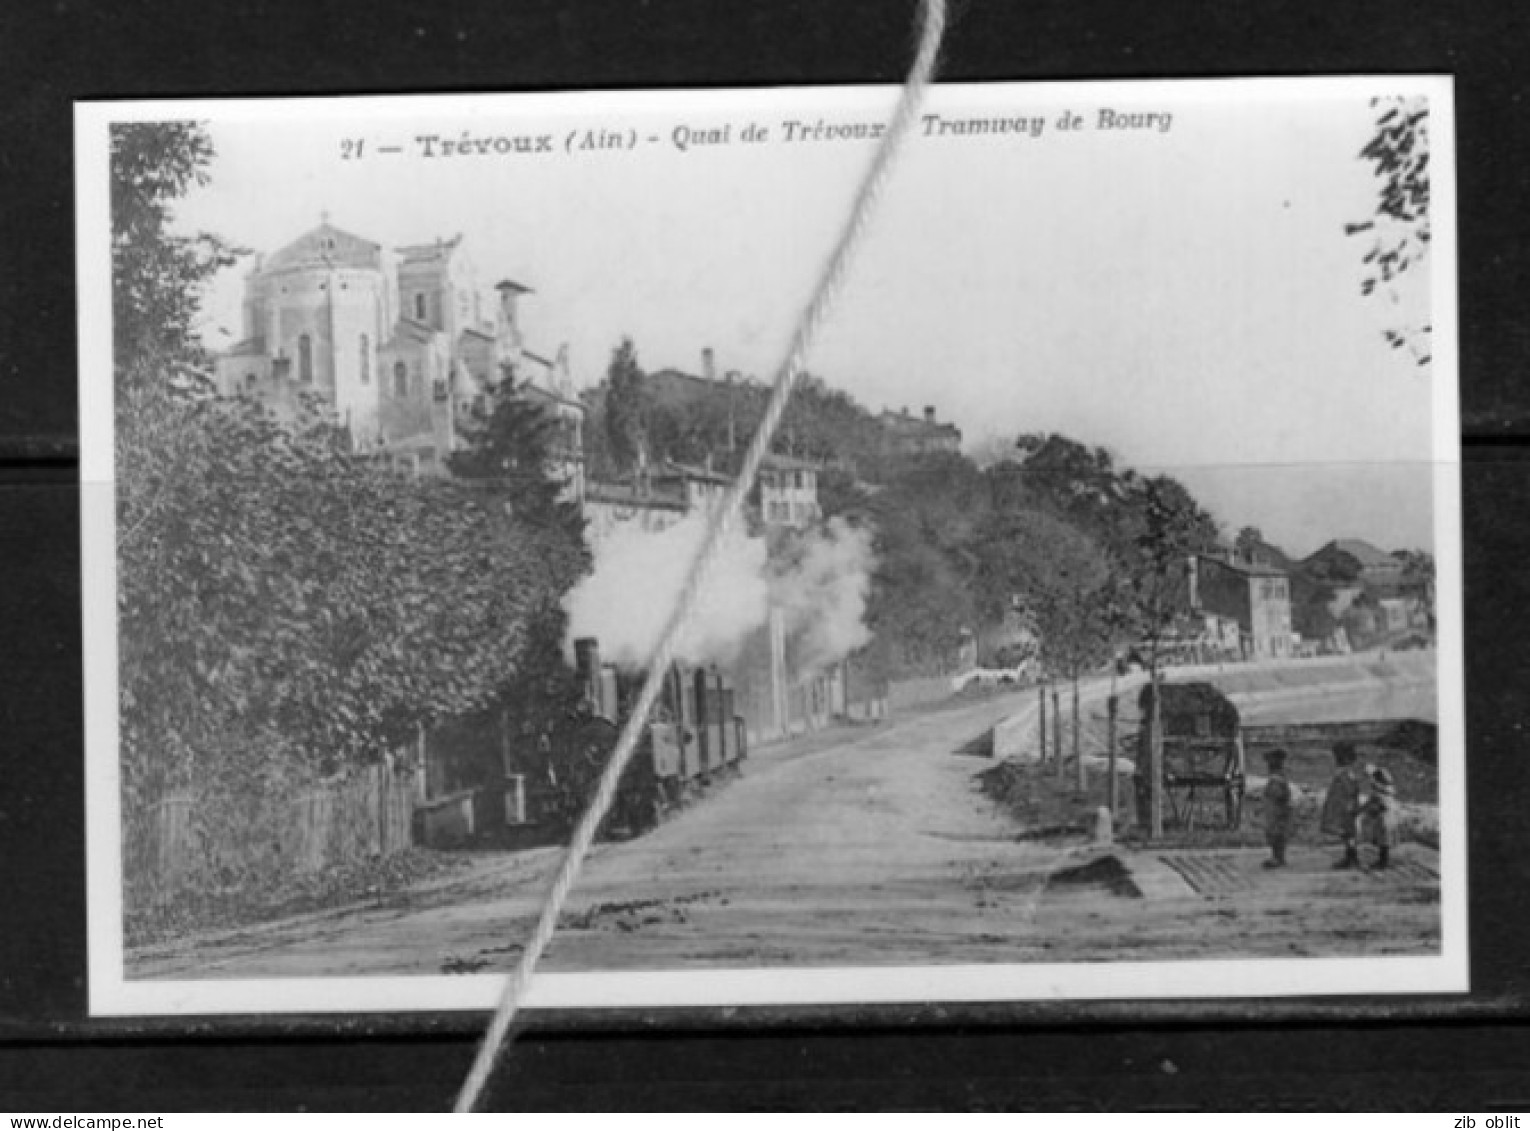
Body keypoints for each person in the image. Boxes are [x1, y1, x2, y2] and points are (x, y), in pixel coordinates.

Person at [1319, 741, 1364, 869]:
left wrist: (1347, 805)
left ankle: (1352, 858)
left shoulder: (1345, 774)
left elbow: (1349, 790)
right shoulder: (1347, 773)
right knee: (1348, 834)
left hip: (1346, 807)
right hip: (1346, 806)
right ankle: (1351, 857)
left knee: (1349, 834)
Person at [1359, 765, 1399, 869]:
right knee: (1385, 840)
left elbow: (1371, 805)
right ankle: (1383, 861)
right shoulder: (1389, 792)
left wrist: (1361, 810)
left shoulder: (1378, 794)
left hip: (1384, 818)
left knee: (1383, 841)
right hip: (1391, 816)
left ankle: (1383, 863)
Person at [1261, 747, 1294, 869]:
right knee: (1274, 833)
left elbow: (1279, 795)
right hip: (1274, 811)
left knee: (1277, 834)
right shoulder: (1278, 778)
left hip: (1278, 811)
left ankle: (1278, 857)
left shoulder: (1277, 780)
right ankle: (1277, 856)